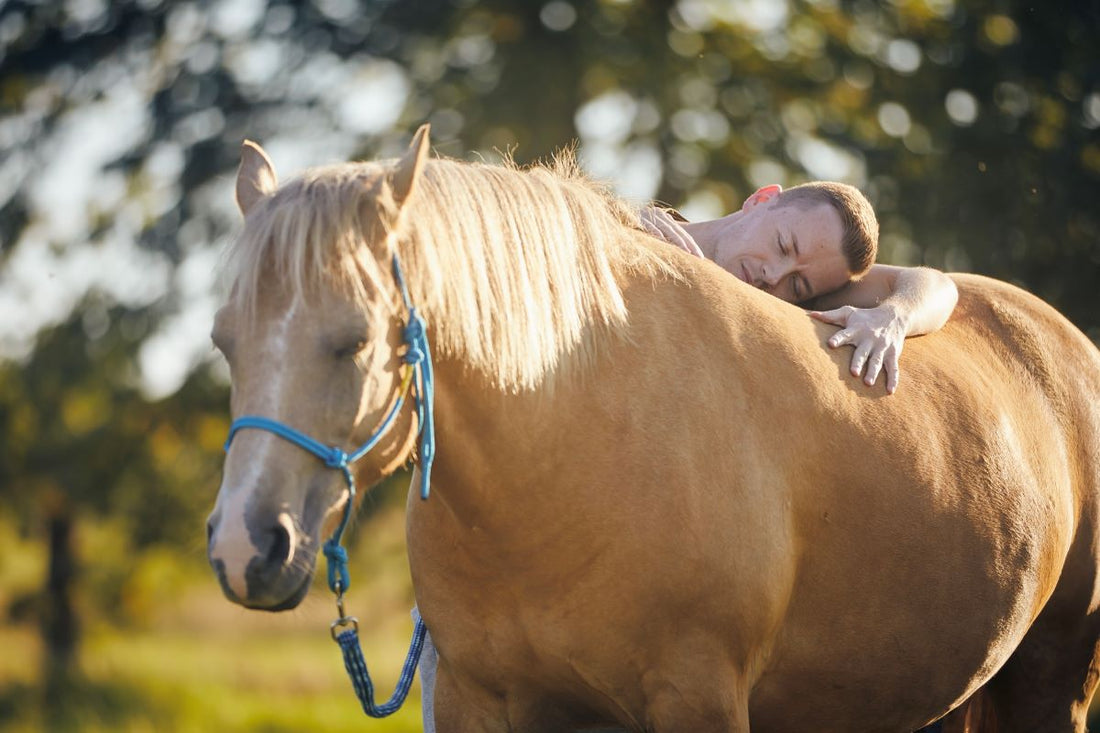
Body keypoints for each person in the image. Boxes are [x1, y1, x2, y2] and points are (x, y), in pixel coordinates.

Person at [639, 182, 958, 394]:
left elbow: (939, 286)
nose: (774, 276)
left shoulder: (808, 292)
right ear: (760, 199)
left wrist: (894, 317)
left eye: (797, 284)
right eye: (782, 244)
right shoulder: (630, 224)